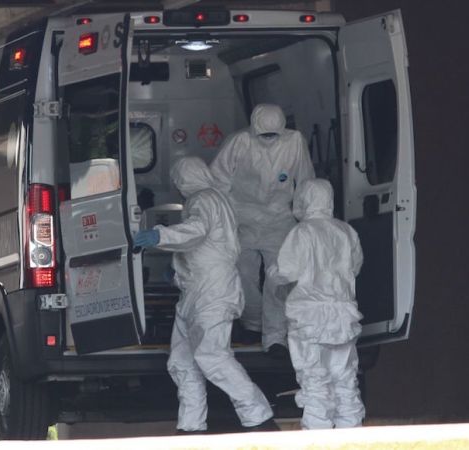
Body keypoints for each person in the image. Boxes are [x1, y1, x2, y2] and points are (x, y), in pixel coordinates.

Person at [133, 157, 276, 433]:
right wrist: (178, 273)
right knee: (182, 362)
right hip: (196, 293)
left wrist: (160, 236)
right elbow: (205, 248)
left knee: (213, 356)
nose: (177, 187)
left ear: (184, 179)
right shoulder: (210, 200)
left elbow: (196, 232)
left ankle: (259, 418)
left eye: (177, 181)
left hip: (212, 292)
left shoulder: (204, 198)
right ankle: (191, 426)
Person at [210, 103, 315, 354]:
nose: (268, 139)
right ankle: (253, 323)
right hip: (242, 219)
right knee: (243, 274)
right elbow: (218, 179)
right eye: (264, 135)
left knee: (278, 278)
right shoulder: (239, 142)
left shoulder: (295, 142)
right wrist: (220, 218)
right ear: (254, 128)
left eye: (273, 135)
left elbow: (305, 180)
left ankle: (275, 336)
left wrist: (307, 218)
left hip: (279, 219)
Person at [266, 179, 366, 430]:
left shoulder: (302, 232)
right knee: (345, 379)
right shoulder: (346, 231)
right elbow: (355, 267)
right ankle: (351, 435)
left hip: (309, 316)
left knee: (314, 379)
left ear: (303, 199)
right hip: (343, 314)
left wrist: (271, 273)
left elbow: (286, 271)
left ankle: (317, 436)